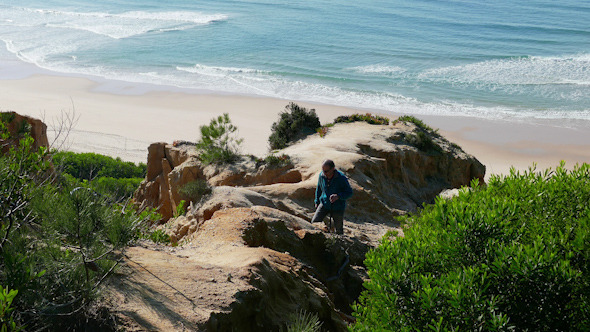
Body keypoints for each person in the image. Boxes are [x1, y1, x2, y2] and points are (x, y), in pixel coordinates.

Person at [311, 159, 353, 234]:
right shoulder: (322, 176)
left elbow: (349, 192)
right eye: (323, 170)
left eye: (326, 171)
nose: (324, 173)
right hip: (324, 204)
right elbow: (319, 188)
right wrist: (317, 201)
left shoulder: (341, 178)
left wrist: (338, 196)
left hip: (338, 207)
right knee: (314, 222)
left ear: (333, 169)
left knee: (339, 230)